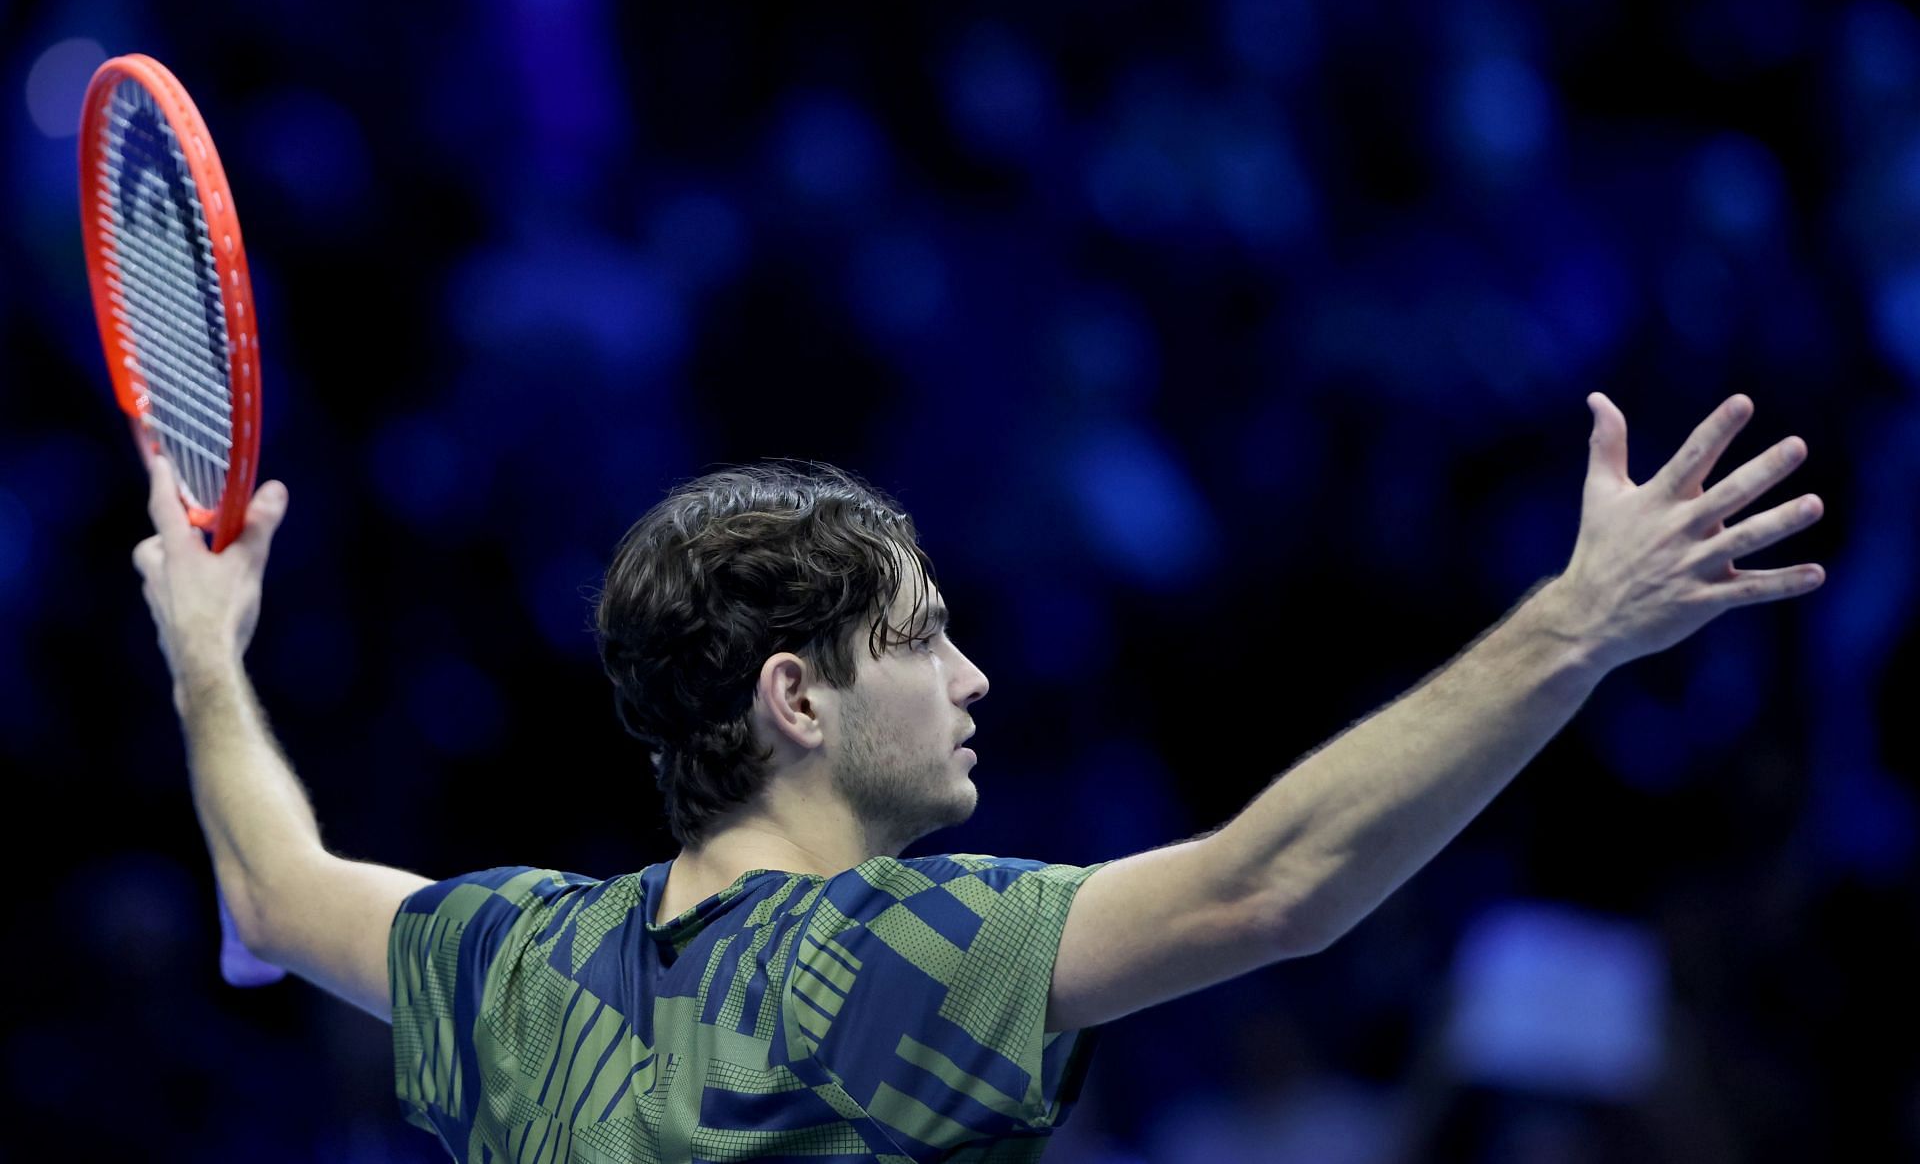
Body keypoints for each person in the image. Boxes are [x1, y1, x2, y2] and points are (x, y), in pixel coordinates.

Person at [132, 392, 1825, 1162]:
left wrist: (208, 646)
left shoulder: (512, 965)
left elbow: (272, 888)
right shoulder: (891, 963)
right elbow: (1274, 882)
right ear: (796, 699)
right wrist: (1578, 626)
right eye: (925, 640)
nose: (977, 676)